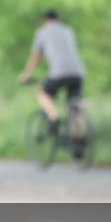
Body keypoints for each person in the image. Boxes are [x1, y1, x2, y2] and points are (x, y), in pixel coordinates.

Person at [18, 10, 87, 151]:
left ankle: (54, 118)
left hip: (59, 73)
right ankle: (79, 141)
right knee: (74, 105)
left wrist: (27, 74)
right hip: (78, 73)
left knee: (43, 93)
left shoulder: (42, 32)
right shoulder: (68, 31)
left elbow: (36, 56)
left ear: (45, 20)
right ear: (58, 19)